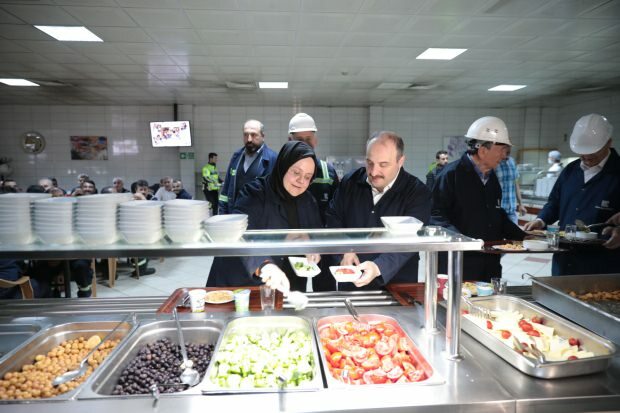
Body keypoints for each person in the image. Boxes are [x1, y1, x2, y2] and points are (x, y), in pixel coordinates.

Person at [207, 141, 326, 292]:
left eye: (308, 177)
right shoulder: (253, 193)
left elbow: (316, 234)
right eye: (296, 172)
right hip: (243, 283)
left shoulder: (308, 200)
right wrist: (265, 264)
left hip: (287, 283)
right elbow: (243, 236)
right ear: (283, 166)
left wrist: (313, 246)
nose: (301, 181)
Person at [326, 131, 432, 289]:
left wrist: (378, 267)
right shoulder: (350, 182)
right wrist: (344, 250)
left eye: (383, 165)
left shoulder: (417, 192)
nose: (374, 172)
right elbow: (333, 219)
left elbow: (410, 241)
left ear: (400, 161)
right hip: (352, 280)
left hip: (397, 285)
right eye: (369, 163)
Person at [523, 113, 620, 275]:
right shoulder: (570, 171)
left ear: (609, 142)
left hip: (603, 263)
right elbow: (555, 201)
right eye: (582, 152)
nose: (587, 156)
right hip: (565, 258)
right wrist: (541, 220)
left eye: (593, 151)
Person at [431, 116, 525, 281]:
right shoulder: (451, 175)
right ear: (483, 150)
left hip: (489, 262)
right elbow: (435, 216)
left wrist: (523, 236)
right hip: (459, 262)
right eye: (502, 150)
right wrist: (462, 240)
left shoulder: (492, 178)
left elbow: (496, 214)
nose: (505, 156)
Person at [218, 119, 278, 214]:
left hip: (259, 219)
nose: (249, 139)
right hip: (235, 216)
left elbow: (275, 196)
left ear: (263, 136)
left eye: (253, 135)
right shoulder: (236, 156)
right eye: (246, 135)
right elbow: (226, 190)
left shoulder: (272, 159)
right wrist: (222, 214)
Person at [288, 113, 339, 224]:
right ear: (289, 141)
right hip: (289, 238)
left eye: (308, 139)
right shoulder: (281, 172)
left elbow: (337, 212)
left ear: (315, 140)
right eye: (299, 139)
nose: (304, 144)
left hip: (319, 238)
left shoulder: (328, 172)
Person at [495, 146, 527, 224]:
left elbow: (516, 183)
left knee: (514, 235)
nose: (508, 155)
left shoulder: (512, 161)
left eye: (509, 152)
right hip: (498, 211)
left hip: (512, 210)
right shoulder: (494, 163)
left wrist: (521, 204)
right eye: (506, 152)